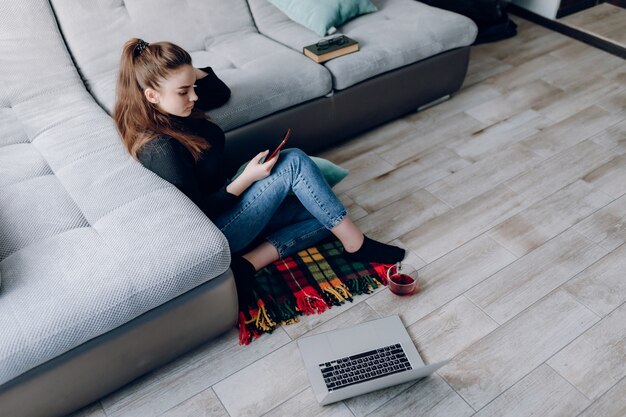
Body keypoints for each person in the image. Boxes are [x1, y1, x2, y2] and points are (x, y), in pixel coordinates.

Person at [114, 38, 405, 305]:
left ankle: (247, 264)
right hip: (216, 229)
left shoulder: (173, 108)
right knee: (293, 162)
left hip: (231, 209)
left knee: (324, 210)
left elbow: (219, 90)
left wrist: (184, 71)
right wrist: (247, 179)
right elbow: (195, 214)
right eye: (184, 91)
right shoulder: (161, 148)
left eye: (192, 87)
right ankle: (357, 245)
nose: (194, 97)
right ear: (151, 95)